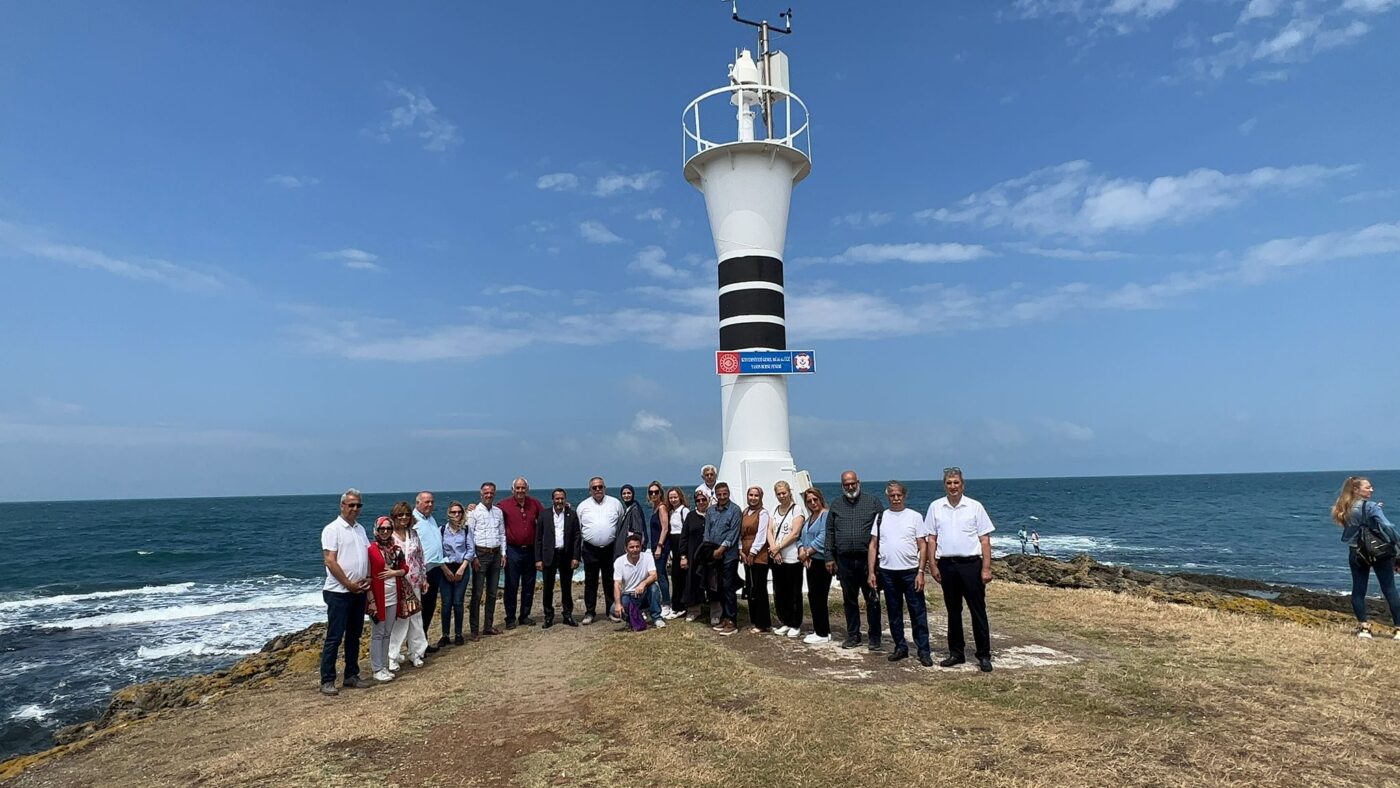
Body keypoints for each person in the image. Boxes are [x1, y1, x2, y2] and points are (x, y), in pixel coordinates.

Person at [925, 467, 995, 672]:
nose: (953, 486)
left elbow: (984, 540)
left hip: (971, 565)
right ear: (944, 485)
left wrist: (986, 568)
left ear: (962, 485)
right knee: (953, 611)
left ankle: (983, 655)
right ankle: (956, 653)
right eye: (949, 483)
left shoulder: (975, 507)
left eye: (956, 482)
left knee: (977, 610)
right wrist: (932, 565)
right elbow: (931, 539)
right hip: (947, 565)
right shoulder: (935, 507)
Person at [867, 481, 932, 667]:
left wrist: (921, 572)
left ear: (904, 496)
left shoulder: (915, 517)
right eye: (892, 495)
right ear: (887, 496)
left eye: (898, 495)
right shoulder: (881, 517)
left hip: (910, 572)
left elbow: (923, 545)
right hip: (887, 572)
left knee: (917, 612)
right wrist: (871, 572)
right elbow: (873, 545)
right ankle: (900, 647)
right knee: (894, 612)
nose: (895, 498)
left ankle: (923, 650)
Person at [1331, 476, 1400, 639]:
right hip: (1378, 551)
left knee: (1358, 590)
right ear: (1356, 490)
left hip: (1356, 552)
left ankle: (1364, 628)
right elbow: (1386, 526)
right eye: (1367, 487)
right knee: (1389, 589)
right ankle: (1398, 629)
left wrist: (1373, 509)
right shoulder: (1371, 507)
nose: (1371, 490)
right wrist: (1398, 543)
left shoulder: (1344, 506)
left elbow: (1355, 524)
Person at [318, 489, 372, 696]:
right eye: (351, 505)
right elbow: (330, 560)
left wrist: (368, 577)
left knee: (354, 635)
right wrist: (348, 583)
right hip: (339, 592)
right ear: (342, 506)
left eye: (358, 505)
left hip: (358, 590)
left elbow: (366, 555)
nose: (355, 508)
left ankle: (351, 674)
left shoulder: (360, 529)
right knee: (334, 637)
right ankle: (327, 679)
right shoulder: (332, 529)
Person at [825, 470, 885, 652]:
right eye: (846, 484)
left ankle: (874, 637)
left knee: (872, 599)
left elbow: (884, 529)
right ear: (842, 485)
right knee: (849, 600)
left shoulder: (873, 502)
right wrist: (829, 557)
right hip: (844, 561)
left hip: (868, 560)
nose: (850, 487)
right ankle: (853, 635)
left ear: (858, 482)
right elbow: (830, 532)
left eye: (852, 483)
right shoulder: (836, 505)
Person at [577, 477, 624, 625]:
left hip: (610, 549)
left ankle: (611, 611)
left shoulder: (615, 504)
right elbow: (578, 529)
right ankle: (590, 612)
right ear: (589, 490)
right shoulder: (582, 506)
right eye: (594, 487)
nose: (598, 489)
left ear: (605, 488)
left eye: (600, 486)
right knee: (590, 582)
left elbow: (620, 525)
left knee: (610, 581)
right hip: (590, 549)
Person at [388, 501, 430, 669]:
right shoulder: (389, 536)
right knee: (399, 620)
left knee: (416, 619)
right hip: (397, 584)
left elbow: (420, 557)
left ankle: (416, 653)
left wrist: (424, 578)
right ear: (394, 516)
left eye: (406, 514)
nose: (404, 517)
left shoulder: (413, 534)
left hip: (415, 582)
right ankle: (393, 656)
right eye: (400, 514)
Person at [367, 516, 408, 681]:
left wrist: (394, 572)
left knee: (387, 633)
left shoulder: (396, 549)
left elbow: (404, 568)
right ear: (376, 530)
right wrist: (371, 601)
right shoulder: (371, 549)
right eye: (382, 528)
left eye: (388, 528)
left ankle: (384, 666)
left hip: (393, 596)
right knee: (378, 633)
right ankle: (377, 668)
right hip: (378, 598)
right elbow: (368, 575)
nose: (385, 531)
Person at [501, 477, 545, 629]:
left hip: (531, 550)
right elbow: (490, 514)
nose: (520, 491)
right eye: (517, 488)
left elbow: (546, 518)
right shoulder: (503, 505)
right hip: (512, 550)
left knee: (529, 585)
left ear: (527, 489)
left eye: (523, 488)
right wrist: (473, 508)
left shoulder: (535, 504)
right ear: (512, 489)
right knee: (511, 585)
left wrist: (563, 507)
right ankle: (510, 618)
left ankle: (525, 615)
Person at [536, 487, 583, 628]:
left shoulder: (572, 515)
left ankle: (567, 615)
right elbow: (538, 539)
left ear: (565, 499)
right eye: (557, 498)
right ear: (553, 499)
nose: (559, 501)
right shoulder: (544, 515)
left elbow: (577, 537)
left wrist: (576, 557)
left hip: (566, 555)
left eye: (562, 498)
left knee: (566, 587)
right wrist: (538, 559)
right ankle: (548, 616)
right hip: (549, 555)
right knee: (548, 588)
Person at [467, 482, 506, 640]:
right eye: (486, 492)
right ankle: (474, 630)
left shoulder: (498, 512)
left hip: (496, 554)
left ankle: (488, 626)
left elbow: (502, 534)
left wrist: (504, 553)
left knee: (492, 593)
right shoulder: (473, 512)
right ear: (481, 494)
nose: (489, 495)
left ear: (494, 494)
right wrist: (474, 557)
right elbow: (469, 536)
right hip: (480, 554)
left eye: (491, 492)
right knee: (477, 594)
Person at [768, 480, 805, 639]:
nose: (782, 496)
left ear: (789, 492)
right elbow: (769, 530)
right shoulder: (774, 510)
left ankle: (795, 623)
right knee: (780, 591)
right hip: (777, 557)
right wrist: (773, 548)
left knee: (794, 591)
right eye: (779, 494)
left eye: (784, 493)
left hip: (792, 557)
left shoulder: (797, 510)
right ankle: (785, 620)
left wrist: (778, 547)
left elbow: (795, 533)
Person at [705, 482, 742, 636]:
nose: (722, 497)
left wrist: (721, 549)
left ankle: (732, 620)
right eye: (719, 494)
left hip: (729, 556)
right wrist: (709, 550)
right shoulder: (710, 511)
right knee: (718, 587)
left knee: (728, 587)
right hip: (713, 555)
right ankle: (724, 617)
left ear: (728, 493)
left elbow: (733, 533)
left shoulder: (735, 510)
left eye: (724, 494)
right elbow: (707, 531)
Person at [438, 501, 475, 645]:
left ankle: (458, 633)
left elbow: (470, 550)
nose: (456, 514)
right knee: (446, 603)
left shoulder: (466, 530)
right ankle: (445, 635)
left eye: (459, 512)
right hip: (445, 569)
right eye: (453, 512)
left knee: (458, 602)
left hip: (462, 568)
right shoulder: (441, 530)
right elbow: (438, 551)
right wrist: (445, 569)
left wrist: (463, 567)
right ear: (449, 513)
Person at [798, 487, 832, 644]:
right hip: (810, 561)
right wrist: (801, 550)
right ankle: (821, 629)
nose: (813, 503)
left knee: (819, 596)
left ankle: (822, 633)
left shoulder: (825, 515)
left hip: (821, 561)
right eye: (809, 501)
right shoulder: (810, 518)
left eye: (815, 499)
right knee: (813, 596)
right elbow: (801, 537)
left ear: (820, 499)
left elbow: (823, 537)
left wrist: (807, 552)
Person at [413, 491, 444, 654]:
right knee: (420, 609)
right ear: (418, 503)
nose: (430, 505)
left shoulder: (431, 519)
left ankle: (423, 642)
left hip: (435, 569)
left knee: (430, 607)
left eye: (432, 502)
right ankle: (416, 646)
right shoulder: (413, 520)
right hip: (421, 572)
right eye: (426, 502)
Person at [613, 533, 665, 631]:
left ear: (641, 547)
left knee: (653, 588)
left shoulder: (648, 557)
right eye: (631, 547)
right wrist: (618, 604)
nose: (635, 549)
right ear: (626, 549)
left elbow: (654, 575)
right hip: (628, 594)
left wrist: (643, 583)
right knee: (614, 610)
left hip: (644, 592)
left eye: (637, 546)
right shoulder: (619, 562)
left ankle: (657, 618)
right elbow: (617, 584)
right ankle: (633, 620)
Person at [680, 486, 716, 624]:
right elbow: (684, 537)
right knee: (693, 582)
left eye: (703, 499)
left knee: (712, 583)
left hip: (710, 555)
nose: (701, 502)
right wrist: (683, 556)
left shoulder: (713, 514)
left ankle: (715, 613)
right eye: (698, 500)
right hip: (693, 555)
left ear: (708, 500)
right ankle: (694, 610)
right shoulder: (690, 516)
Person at [740, 485, 773, 634]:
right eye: (751, 495)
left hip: (759, 555)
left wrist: (753, 553)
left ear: (760, 497)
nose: (753, 498)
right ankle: (754, 619)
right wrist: (741, 551)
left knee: (759, 587)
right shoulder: (745, 512)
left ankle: (763, 622)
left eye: (756, 495)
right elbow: (740, 533)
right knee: (750, 587)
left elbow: (761, 534)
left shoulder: (763, 513)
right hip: (746, 554)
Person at [645, 481, 674, 619]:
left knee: (661, 574)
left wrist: (659, 546)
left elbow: (665, 528)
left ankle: (667, 603)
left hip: (661, 546)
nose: (653, 494)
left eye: (656, 492)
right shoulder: (655, 508)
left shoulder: (662, 507)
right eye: (651, 492)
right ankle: (665, 601)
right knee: (660, 573)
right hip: (656, 545)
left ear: (661, 493)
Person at [663, 487, 691, 619]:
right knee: (675, 576)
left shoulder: (684, 511)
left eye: (675, 497)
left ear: (680, 497)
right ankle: (677, 605)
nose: (673, 500)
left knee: (681, 576)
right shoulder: (671, 512)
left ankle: (682, 606)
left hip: (682, 543)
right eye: (670, 497)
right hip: (674, 544)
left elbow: (687, 530)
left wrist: (684, 553)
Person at [617, 484, 647, 560]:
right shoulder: (629, 508)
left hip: (628, 551)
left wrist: (633, 549)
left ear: (633, 494)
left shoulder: (634, 509)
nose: (626, 495)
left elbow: (637, 531)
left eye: (629, 493)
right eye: (624, 493)